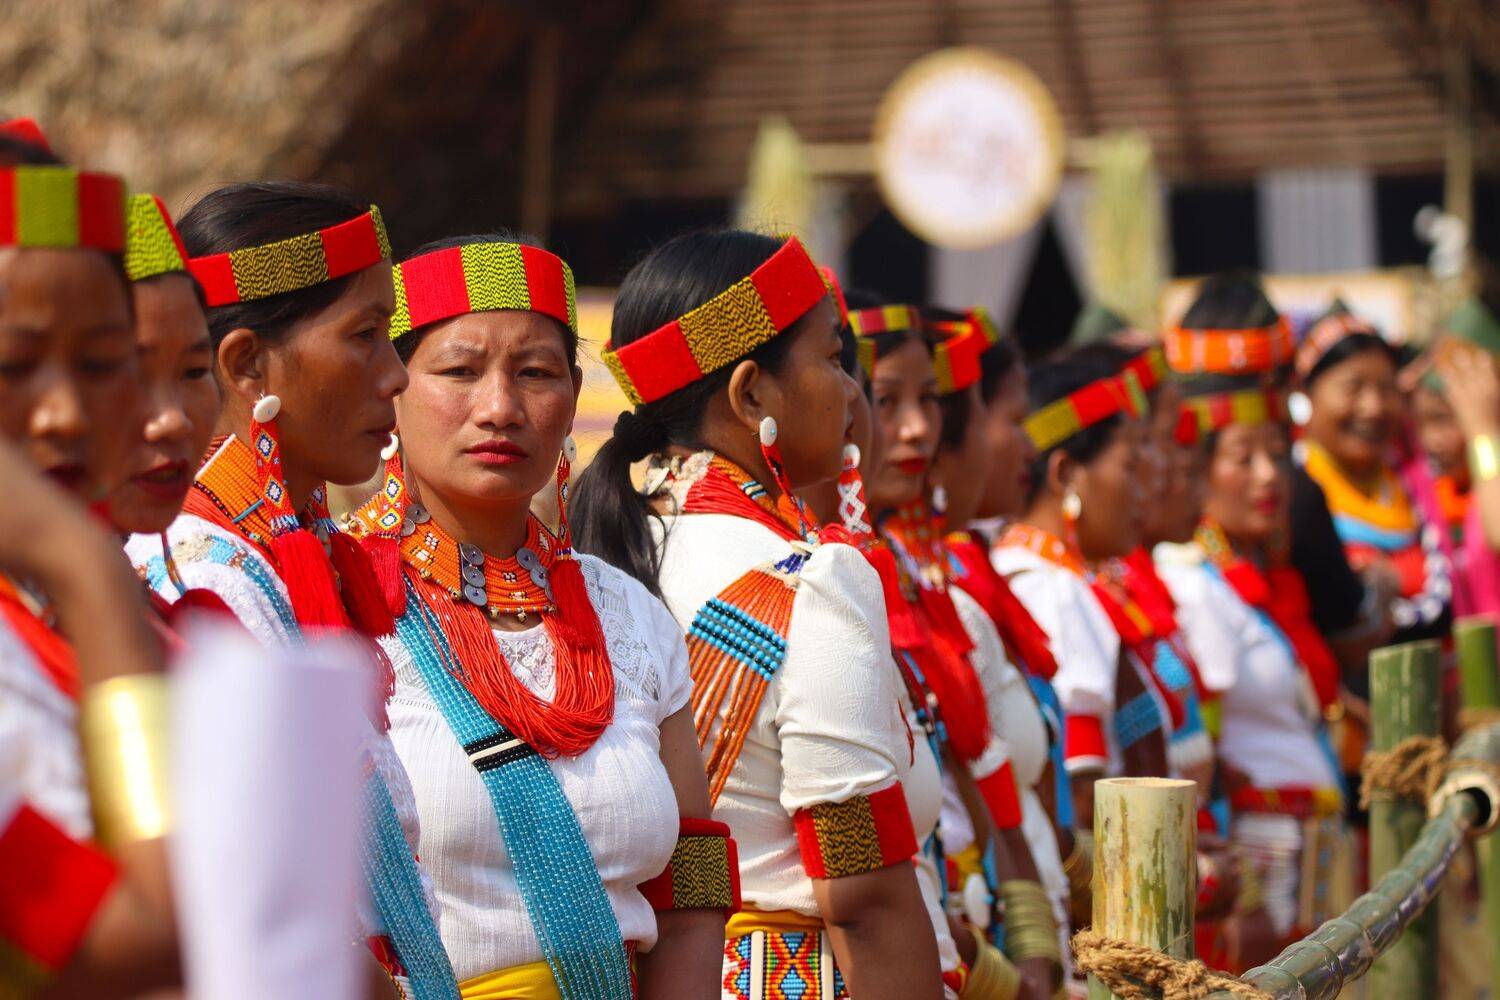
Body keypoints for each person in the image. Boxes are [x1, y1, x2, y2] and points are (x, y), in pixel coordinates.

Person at [347, 233, 728, 998]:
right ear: (391, 384)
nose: (499, 408)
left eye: (535, 373)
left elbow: (694, 867)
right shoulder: (339, 609)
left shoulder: (628, 613)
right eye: (459, 371)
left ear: (574, 392)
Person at [573, 231, 945, 1000]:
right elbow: (864, 897)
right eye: (833, 358)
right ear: (750, 397)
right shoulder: (814, 580)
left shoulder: (598, 560)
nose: (850, 393)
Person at [126, 182, 455, 994]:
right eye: (366, 336)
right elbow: (251, 901)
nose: (396, 376)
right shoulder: (198, 580)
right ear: (247, 365)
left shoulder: (282, 558)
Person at [0, 160, 180, 997]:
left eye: (103, 363)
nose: (63, 414)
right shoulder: (90, 583)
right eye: (12, 364)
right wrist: (86, 567)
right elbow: (164, 928)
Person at [1156, 278, 1349, 970]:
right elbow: (1197, 761)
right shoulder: (1191, 585)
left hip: (1309, 867)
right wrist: (1242, 901)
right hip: (1262, 882)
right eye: (1244, 459)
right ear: (1199, 472)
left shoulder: (1255, 582)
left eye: (1277, 454)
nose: (1271, 477)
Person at [993, 351, 1168, 834]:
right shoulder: (1053, 590)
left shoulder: (1037, 575)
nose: (1143, 489)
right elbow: (1085, 794)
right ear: (1067, 475)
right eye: (1129, 467)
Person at [1297, 300, 1450, 643]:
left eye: (1386, 389)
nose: (1374, 408)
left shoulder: (1416, 478)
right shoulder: (1291, 492)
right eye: (1353, 388)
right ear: (1308, 390)